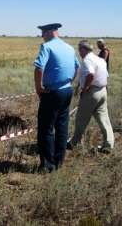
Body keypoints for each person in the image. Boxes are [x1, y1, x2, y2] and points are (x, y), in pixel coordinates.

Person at [34, 23, 80, 172]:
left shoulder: (47, 47)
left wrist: (38, 88)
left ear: (47, 33)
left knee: (45, 129)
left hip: (52, 93)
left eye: (42, 34)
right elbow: (77, 67)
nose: (43, 37)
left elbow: (39, 68)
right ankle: (59, 161)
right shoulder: (69, 48)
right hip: (67, 91)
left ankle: (48, 166)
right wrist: (68, 81)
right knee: (62, 126)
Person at [68, 40, 114, 153]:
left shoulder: (87, 60)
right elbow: (106, 75)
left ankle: (75, 142)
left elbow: (91, 74)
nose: (79, 53)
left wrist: (85, 88)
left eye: (79, 50)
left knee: (81, 118)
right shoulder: (100, 60)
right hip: (102, 91)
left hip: (92, 92)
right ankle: (108, 145)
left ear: (83, 50)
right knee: (104, 119)